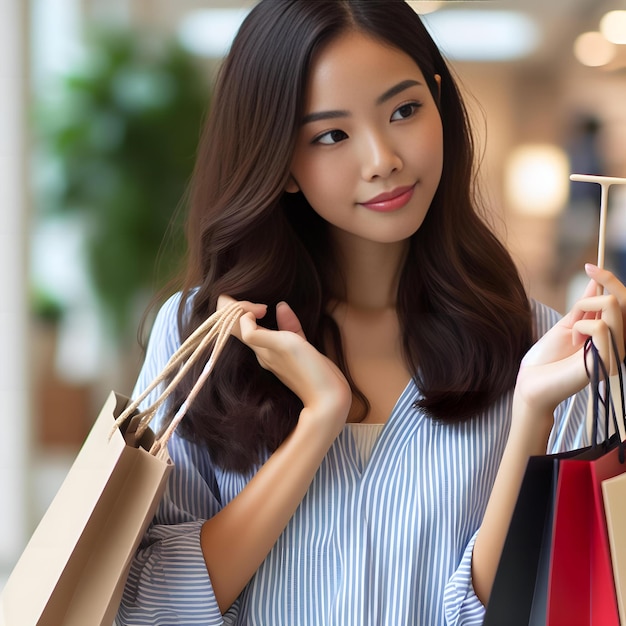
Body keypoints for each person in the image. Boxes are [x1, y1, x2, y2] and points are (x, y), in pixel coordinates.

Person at [116, 1, 626, 624]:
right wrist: (318, 423)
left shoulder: (547, 351)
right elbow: (149, 608)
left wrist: (531, 413)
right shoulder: (200, 340)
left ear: (438, 102)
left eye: (405, 110)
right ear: (282, 165)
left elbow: (525, 611)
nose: (382, 157)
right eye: (331, 135)